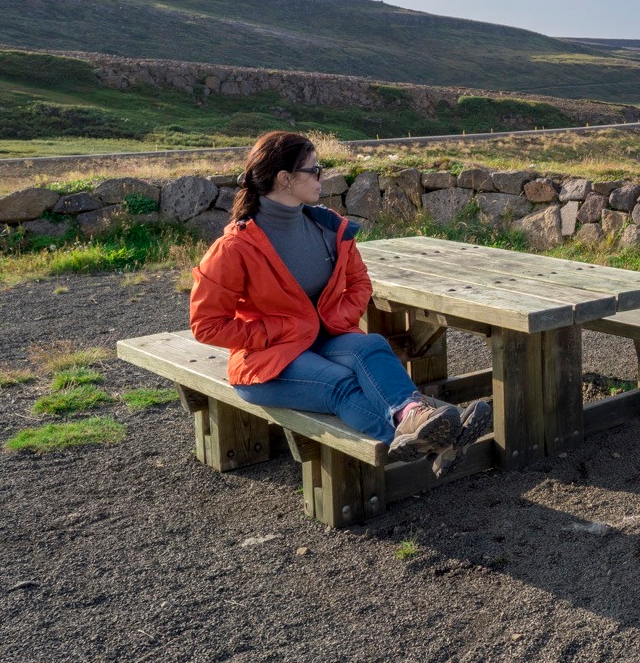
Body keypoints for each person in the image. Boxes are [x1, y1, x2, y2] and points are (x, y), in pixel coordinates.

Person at [188, 131, 490, 474]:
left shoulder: (327, 228)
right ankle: (442, 441)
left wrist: (336, 319)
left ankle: (413, 417)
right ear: (285, 179)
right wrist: (281, 329)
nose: (322, 176)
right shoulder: (234, 248)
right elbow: (206, 325)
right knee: (339, 384)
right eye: (314, 170)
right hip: (267, 363)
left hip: (323, 341)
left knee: (371, 345)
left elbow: (359, 282)